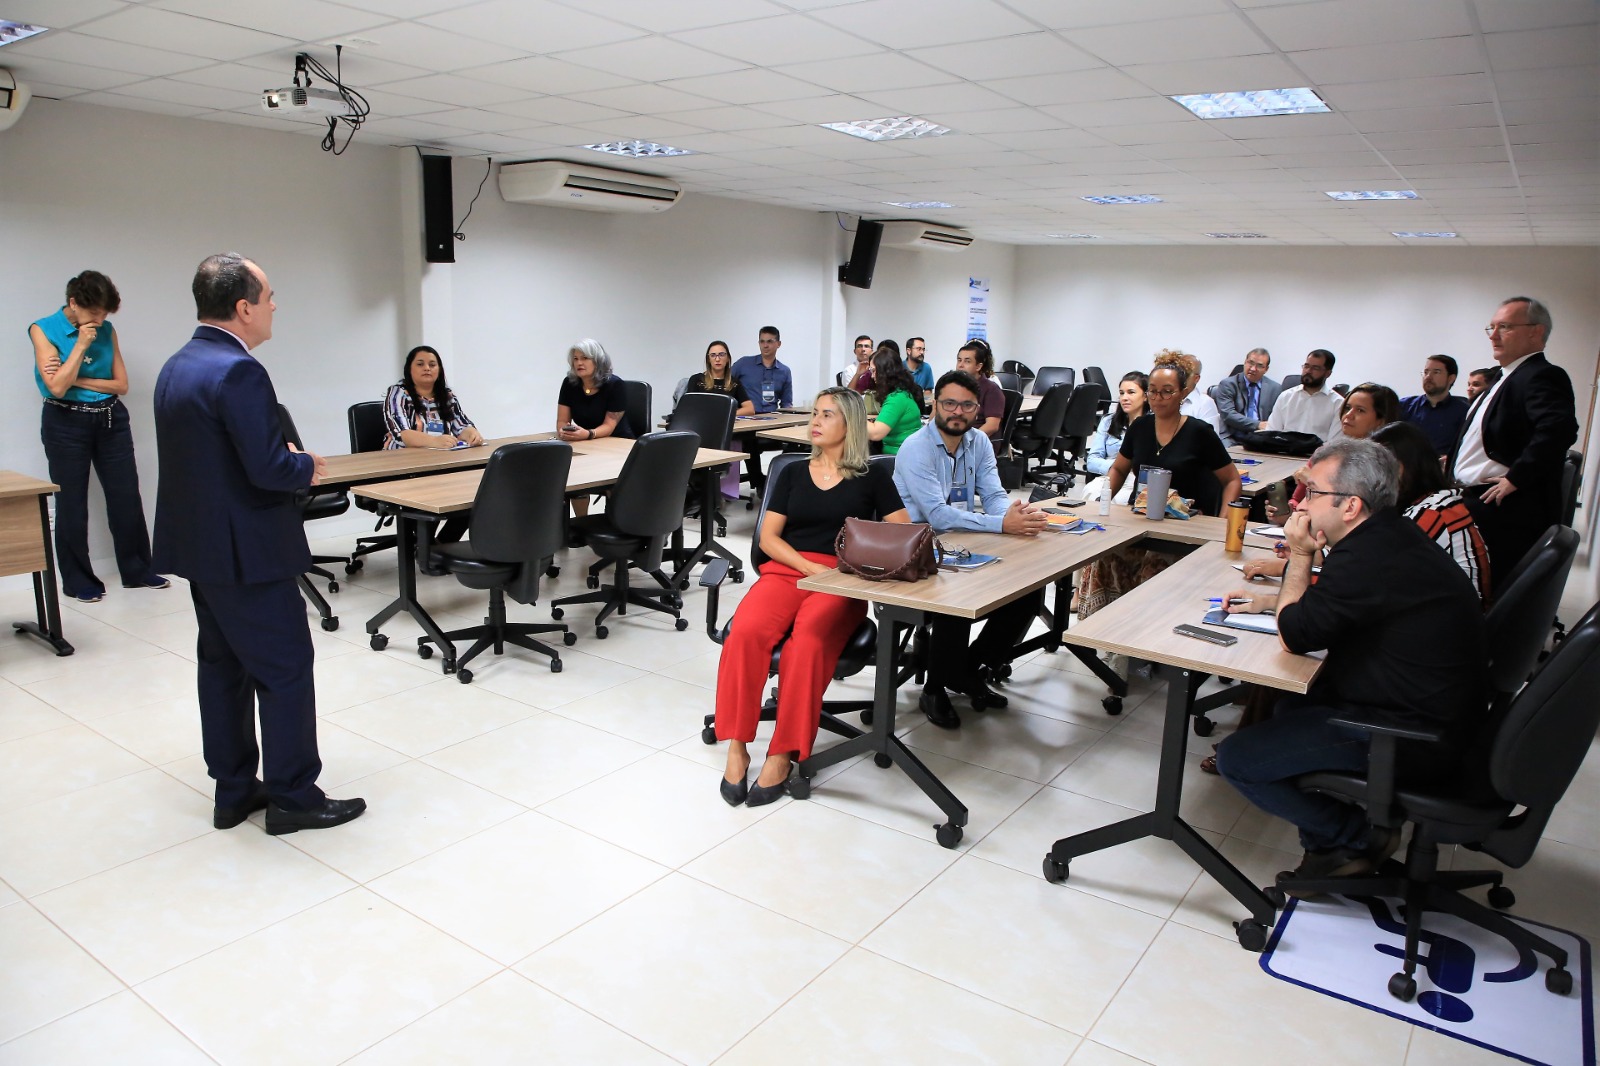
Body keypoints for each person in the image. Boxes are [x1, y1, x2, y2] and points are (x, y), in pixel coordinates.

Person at [152, 253, 365, 835]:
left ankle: (234, 790)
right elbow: (267, 468)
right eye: (269, 297)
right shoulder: (239, 371)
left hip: (201, 550)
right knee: (285, 668)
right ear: (244, 308)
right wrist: (302, 464)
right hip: (248, 552)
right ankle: (294, 796)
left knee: (222, 668)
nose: (275, 306)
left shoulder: (177, 365)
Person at [1213, 438, 1486, 887]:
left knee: (1239, 760)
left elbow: (1295, 635)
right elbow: (1326, 612)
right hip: (1437, 714)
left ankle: (1357, 838)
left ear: (1350, 506)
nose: (1300, 504)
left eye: (1313, 493)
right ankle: (1329, 851)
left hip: (1414, 734)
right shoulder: (1387, 537)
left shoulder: (1367, 556)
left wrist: (1300, 554)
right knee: (1288, 708)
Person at [713, 387, 908, 806]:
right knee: (744, 633)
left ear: (850, 424)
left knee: (809, 641)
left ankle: (784, 751)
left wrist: (849, 568)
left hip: (841, 579)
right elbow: (768, 538)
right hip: (788, 570)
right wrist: (808, 568)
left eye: (828, 414)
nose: (815, 421)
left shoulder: (873, 476)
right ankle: (736, 745)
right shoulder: (793, 473)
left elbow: (900, 534)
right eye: (815, 413)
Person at [893, 370, 1048, 728]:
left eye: (966, 405)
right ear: (935, 405)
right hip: (917, 548)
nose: (957, 412)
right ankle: (935, 687)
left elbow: (993, 495)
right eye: (949, 403)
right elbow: (937, 514)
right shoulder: (916, 447)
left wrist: (1013, 514)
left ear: (978, 409)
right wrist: (1001, 525)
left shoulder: (977, 442)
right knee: (957, 595)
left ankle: (965, 669)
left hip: (964, 539)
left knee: (1027, 590)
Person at [1078, 351, 1241, 632]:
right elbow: (1118, 469)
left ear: (1183, 393)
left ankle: (1144, 632)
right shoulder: (1140, 427)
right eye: (1153, 391)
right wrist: (1105, 500)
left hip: (1181, 526)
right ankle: (1103, 631)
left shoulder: (1199, 432)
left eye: (1167, 392)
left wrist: (1221, 524)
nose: (1158, 398)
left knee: (1156, 565)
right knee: (1104, 556)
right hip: (1139, 518)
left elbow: (1231, 480)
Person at [30, 270, 166, 603]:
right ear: (73, 303)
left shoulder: (107, 330)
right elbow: (57, 388)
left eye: (105, 314)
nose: (100, 320)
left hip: (110, 419)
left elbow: (121, 385)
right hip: (65, 423)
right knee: (72, 503)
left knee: (125, 496)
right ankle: (78, 581)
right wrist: (80, 346)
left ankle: (137, 570)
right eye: (94, 313)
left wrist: (76, 379)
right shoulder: (42, 329)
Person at [1450, 297, 1577, 591]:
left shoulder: (1542, 375)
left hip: (1501, 509)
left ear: (1536, 331)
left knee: (1483, 588)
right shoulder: (1505, 377)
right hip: (1476, 499)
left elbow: (1558, 429)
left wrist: (1516, 478)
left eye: (1504, 327)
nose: (1493, 335)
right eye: (1491, 327)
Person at [1265, 383, 1399, 523]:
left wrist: (1315, 483)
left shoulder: (1383, 464)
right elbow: (1296, 503)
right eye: (1347, 408)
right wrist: (1284, 514)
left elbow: (1361, 515)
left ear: (1381, 420)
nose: (1349, 415)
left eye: (1360, 410)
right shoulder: (1325, 454)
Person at [557, 338, 631, 516]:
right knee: (574, 472)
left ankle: (615, 520)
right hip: (587, 442)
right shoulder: (570, 383)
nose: (579, 363)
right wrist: (564, 431)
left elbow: (609, 425)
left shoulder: (614, 385)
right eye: (575, 359)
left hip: (617, 443)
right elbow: (562, 420)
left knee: (608, 474)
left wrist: (588, 434)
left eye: (585, 358)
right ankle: (582, 524)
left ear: (597, 360)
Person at [382, 345, 484, 449]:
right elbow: (401, 434)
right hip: (402, 458)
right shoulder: (398, 393)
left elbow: (461, 425)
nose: (427, 368)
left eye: (432, 365)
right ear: (409, 369)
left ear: (439, 370)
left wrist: (472, 434)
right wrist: (434, 441)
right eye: (420, 364)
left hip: (440, 457)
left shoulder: (447, 396)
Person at [729, 326, 792, 494]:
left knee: (796, 442)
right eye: (762, 341)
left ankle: (779, 479)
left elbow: (786, 403)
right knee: (750, 439)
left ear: (778, 344)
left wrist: (788, 420)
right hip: (747, 418)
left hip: (771, 419)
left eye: (770, 341)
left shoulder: (784, 371)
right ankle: (759, 482)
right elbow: (726, 386)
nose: (765, 345)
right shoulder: (744, 364)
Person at [1400, 354, 1470, 457]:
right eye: (1426, 372)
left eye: (1436, 372)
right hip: (1409, 468)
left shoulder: (1464, 410)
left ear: (1451, 378)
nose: (1428, 377)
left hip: (1444, 469)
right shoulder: (1404, 406)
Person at [1266, 349, 1342, 441]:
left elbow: (1334, 442)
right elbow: (1271, 432)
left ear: (1328, 373)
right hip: (1282, 452)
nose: (1308, 371)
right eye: (1306, 366)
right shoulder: (1286, 397)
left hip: (1316, 454)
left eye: (1315, 368)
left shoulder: (1338, 403)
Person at [1085, 371, 1149, 477]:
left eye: (1131, 392)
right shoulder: (1108, 421)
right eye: (1122, 393)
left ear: (1145, 396)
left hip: (1137, 481)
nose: (1124, 398)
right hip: (1110, 476)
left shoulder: (1153, 425)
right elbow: (1091, 462)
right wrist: (1120, 467)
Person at [1214, 347, 1281, 444]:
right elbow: (1228, 415)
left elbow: (1277, 417)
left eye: (1259, 366)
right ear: (1245, 362)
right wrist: (1258, 424)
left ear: (1266, 369)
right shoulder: (1228, 384)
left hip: (1261, 437)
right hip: (1233, 436)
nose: (1253, 369)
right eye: (1251, 363)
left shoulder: (1275, 388)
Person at [865, 346, 923, 455]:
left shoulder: (896, 399)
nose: (872, 376)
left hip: (898, 458)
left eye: (874, 371)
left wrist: (851, 416)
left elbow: (875, 433)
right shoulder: (902, 392)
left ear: (883, 372)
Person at [684, 339, 754, 415]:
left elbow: (750, 409)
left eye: (721, 354)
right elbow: (689, 408)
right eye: (713, 355)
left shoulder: (734, 383)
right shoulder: (696, 380)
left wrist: (727, 414)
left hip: (725, 424)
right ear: (708, 359)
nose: (717, 359)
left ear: (727, 358)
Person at [955, 339, 1005, 439]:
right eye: (959, 360)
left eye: (967, 361)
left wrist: (966, 440)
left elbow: (992, 426)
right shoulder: (955, 386)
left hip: (978, 443)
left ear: (978, 366)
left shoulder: (991, 390)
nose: (961, 365)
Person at [1180, 356, 1228, 441]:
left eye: (1185, 373)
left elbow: (1209, 442)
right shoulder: (1166, 398)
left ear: (1196, 378)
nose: (1180, 377)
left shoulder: (1205, 403)